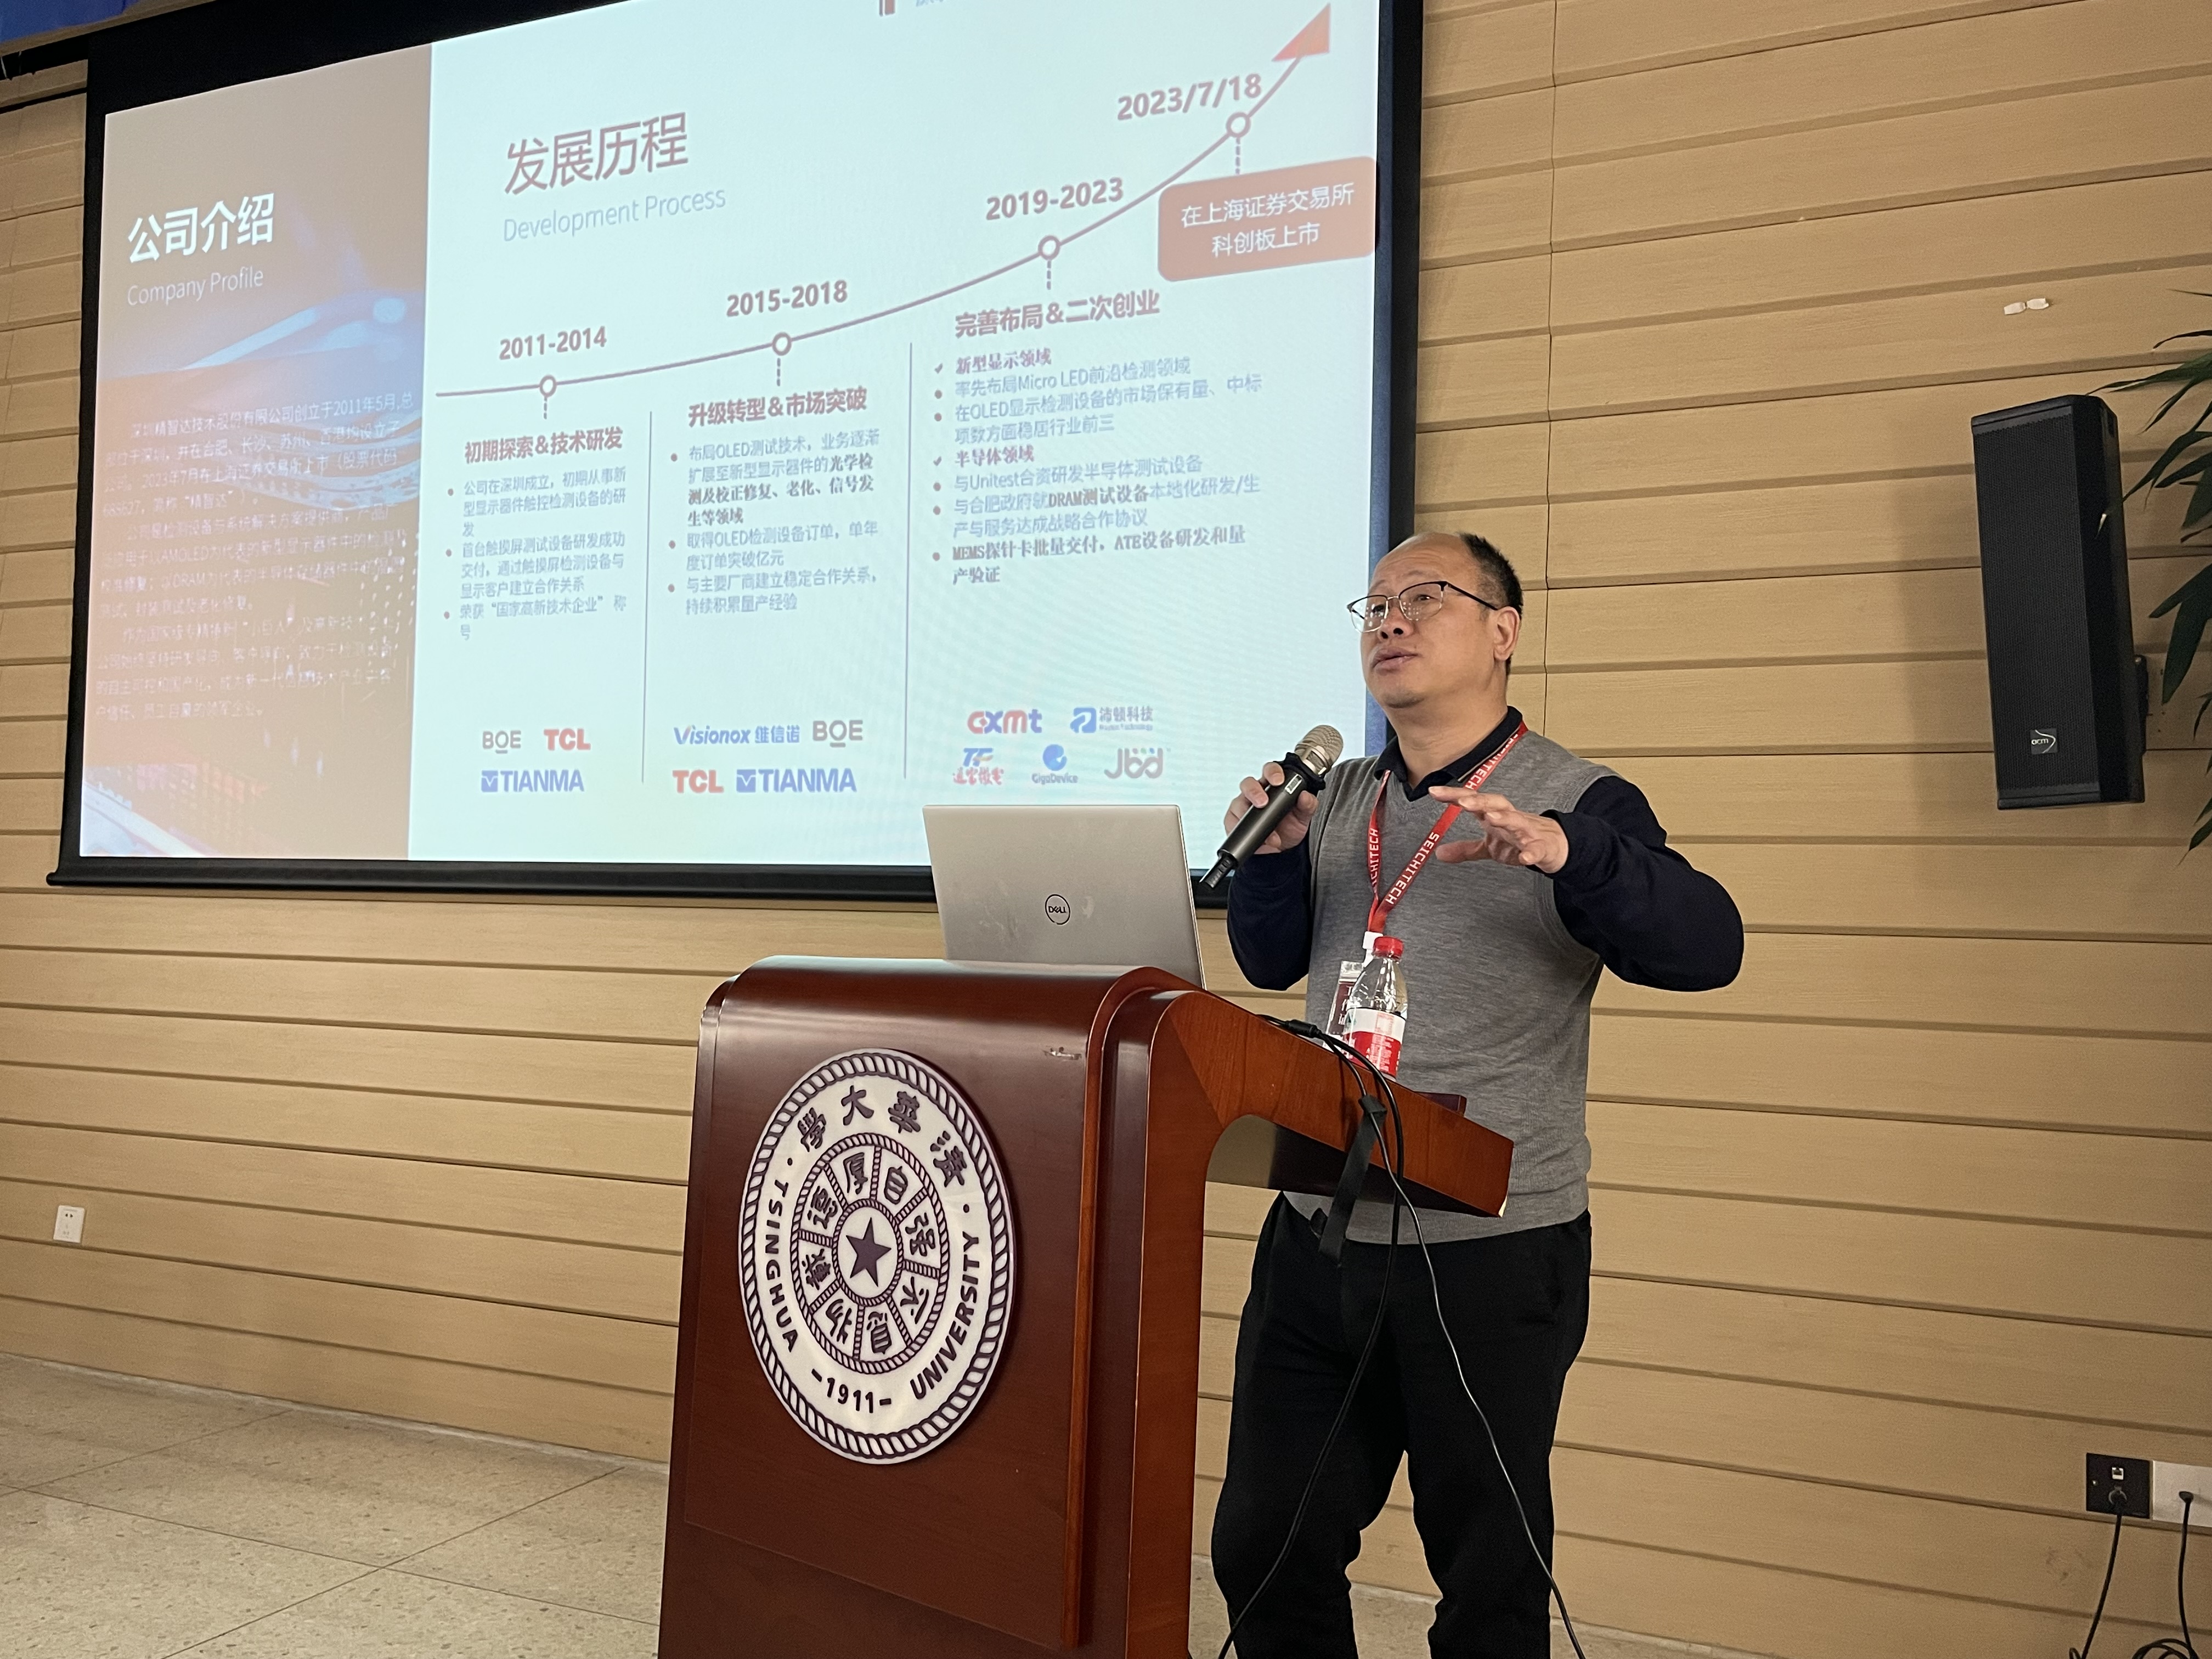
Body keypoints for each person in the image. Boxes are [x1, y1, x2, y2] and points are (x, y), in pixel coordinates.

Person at [1211, 531, 1743, 1658]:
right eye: (1375, 605)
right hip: (1320, 1228)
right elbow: (1268, 960)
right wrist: (1273, 859)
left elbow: (1708, 949)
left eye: (1425, 598)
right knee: (1265, 1542)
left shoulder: (1578, 798)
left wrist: (1571, 855)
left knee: (1488, 1582)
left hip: (1492, 1249)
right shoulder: (1336, 797)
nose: (1390, 621)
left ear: (1504, 632)